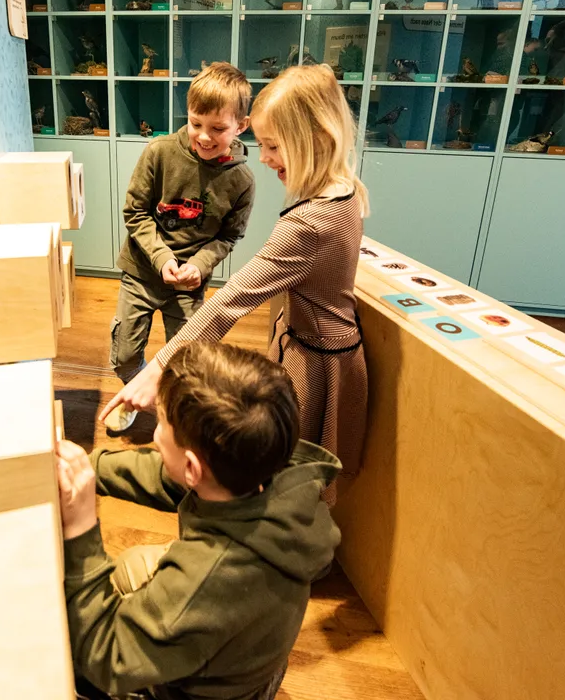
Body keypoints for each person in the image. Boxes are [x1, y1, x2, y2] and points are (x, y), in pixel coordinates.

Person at [100, 64, 369, 504]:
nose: (263, 157)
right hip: (313, 346)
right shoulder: (344, 189)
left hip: (317, 364)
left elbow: (231, 300)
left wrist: (159, 365)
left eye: (273, 146)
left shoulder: (310, 220)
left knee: (298, 481)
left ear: (317, 138)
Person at [57, 341, 342, 700]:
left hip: (202, 692)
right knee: (133, 563)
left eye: (160, 423)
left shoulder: (207, 577)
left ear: (192, 468)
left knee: (71, 657)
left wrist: (81, 530)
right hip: (250, 657)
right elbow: (165, 475)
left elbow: (107, 658)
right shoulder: (265, 471)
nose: (155, 433)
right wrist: (91, 467)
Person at [108, 63, 256, 428]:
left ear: (241, 126)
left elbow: (229, 237)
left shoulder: (242, 180)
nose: (204, 136)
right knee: (124, 356)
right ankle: (141, 393)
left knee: (188, 361)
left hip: (190, 285)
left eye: (218, 128)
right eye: (195, 123)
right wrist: (161, 259)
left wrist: (200, 265)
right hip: (142, 273)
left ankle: (169, 414)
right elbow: (135, 212)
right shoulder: (158, 151)